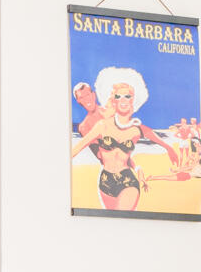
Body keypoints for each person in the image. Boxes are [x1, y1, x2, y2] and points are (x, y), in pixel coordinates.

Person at [71, 67, 172, 211]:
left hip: (126, 178)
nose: (86, 99)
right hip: (106, 179)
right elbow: (100, 155)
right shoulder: (85, 127)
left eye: (88, 95)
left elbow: (137, 133)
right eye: (81, 97)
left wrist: (167, 148)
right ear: (78, 101)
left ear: (93, 95)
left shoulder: (113, 110)